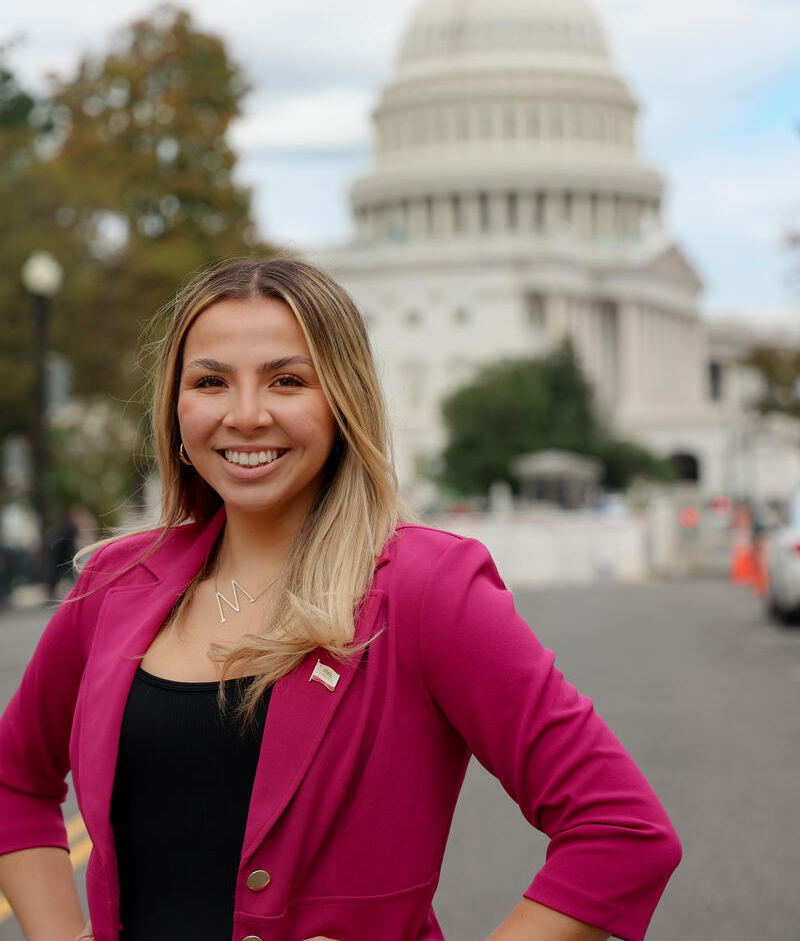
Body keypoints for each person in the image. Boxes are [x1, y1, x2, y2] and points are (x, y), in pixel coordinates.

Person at [0, 257, 681, 941]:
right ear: (176, 410)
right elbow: (15, 781)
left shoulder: (427, 588)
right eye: (210, 382)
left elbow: (621, 833)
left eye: (287, 381)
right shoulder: (115, 584)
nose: (245, 415)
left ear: (343, 403)